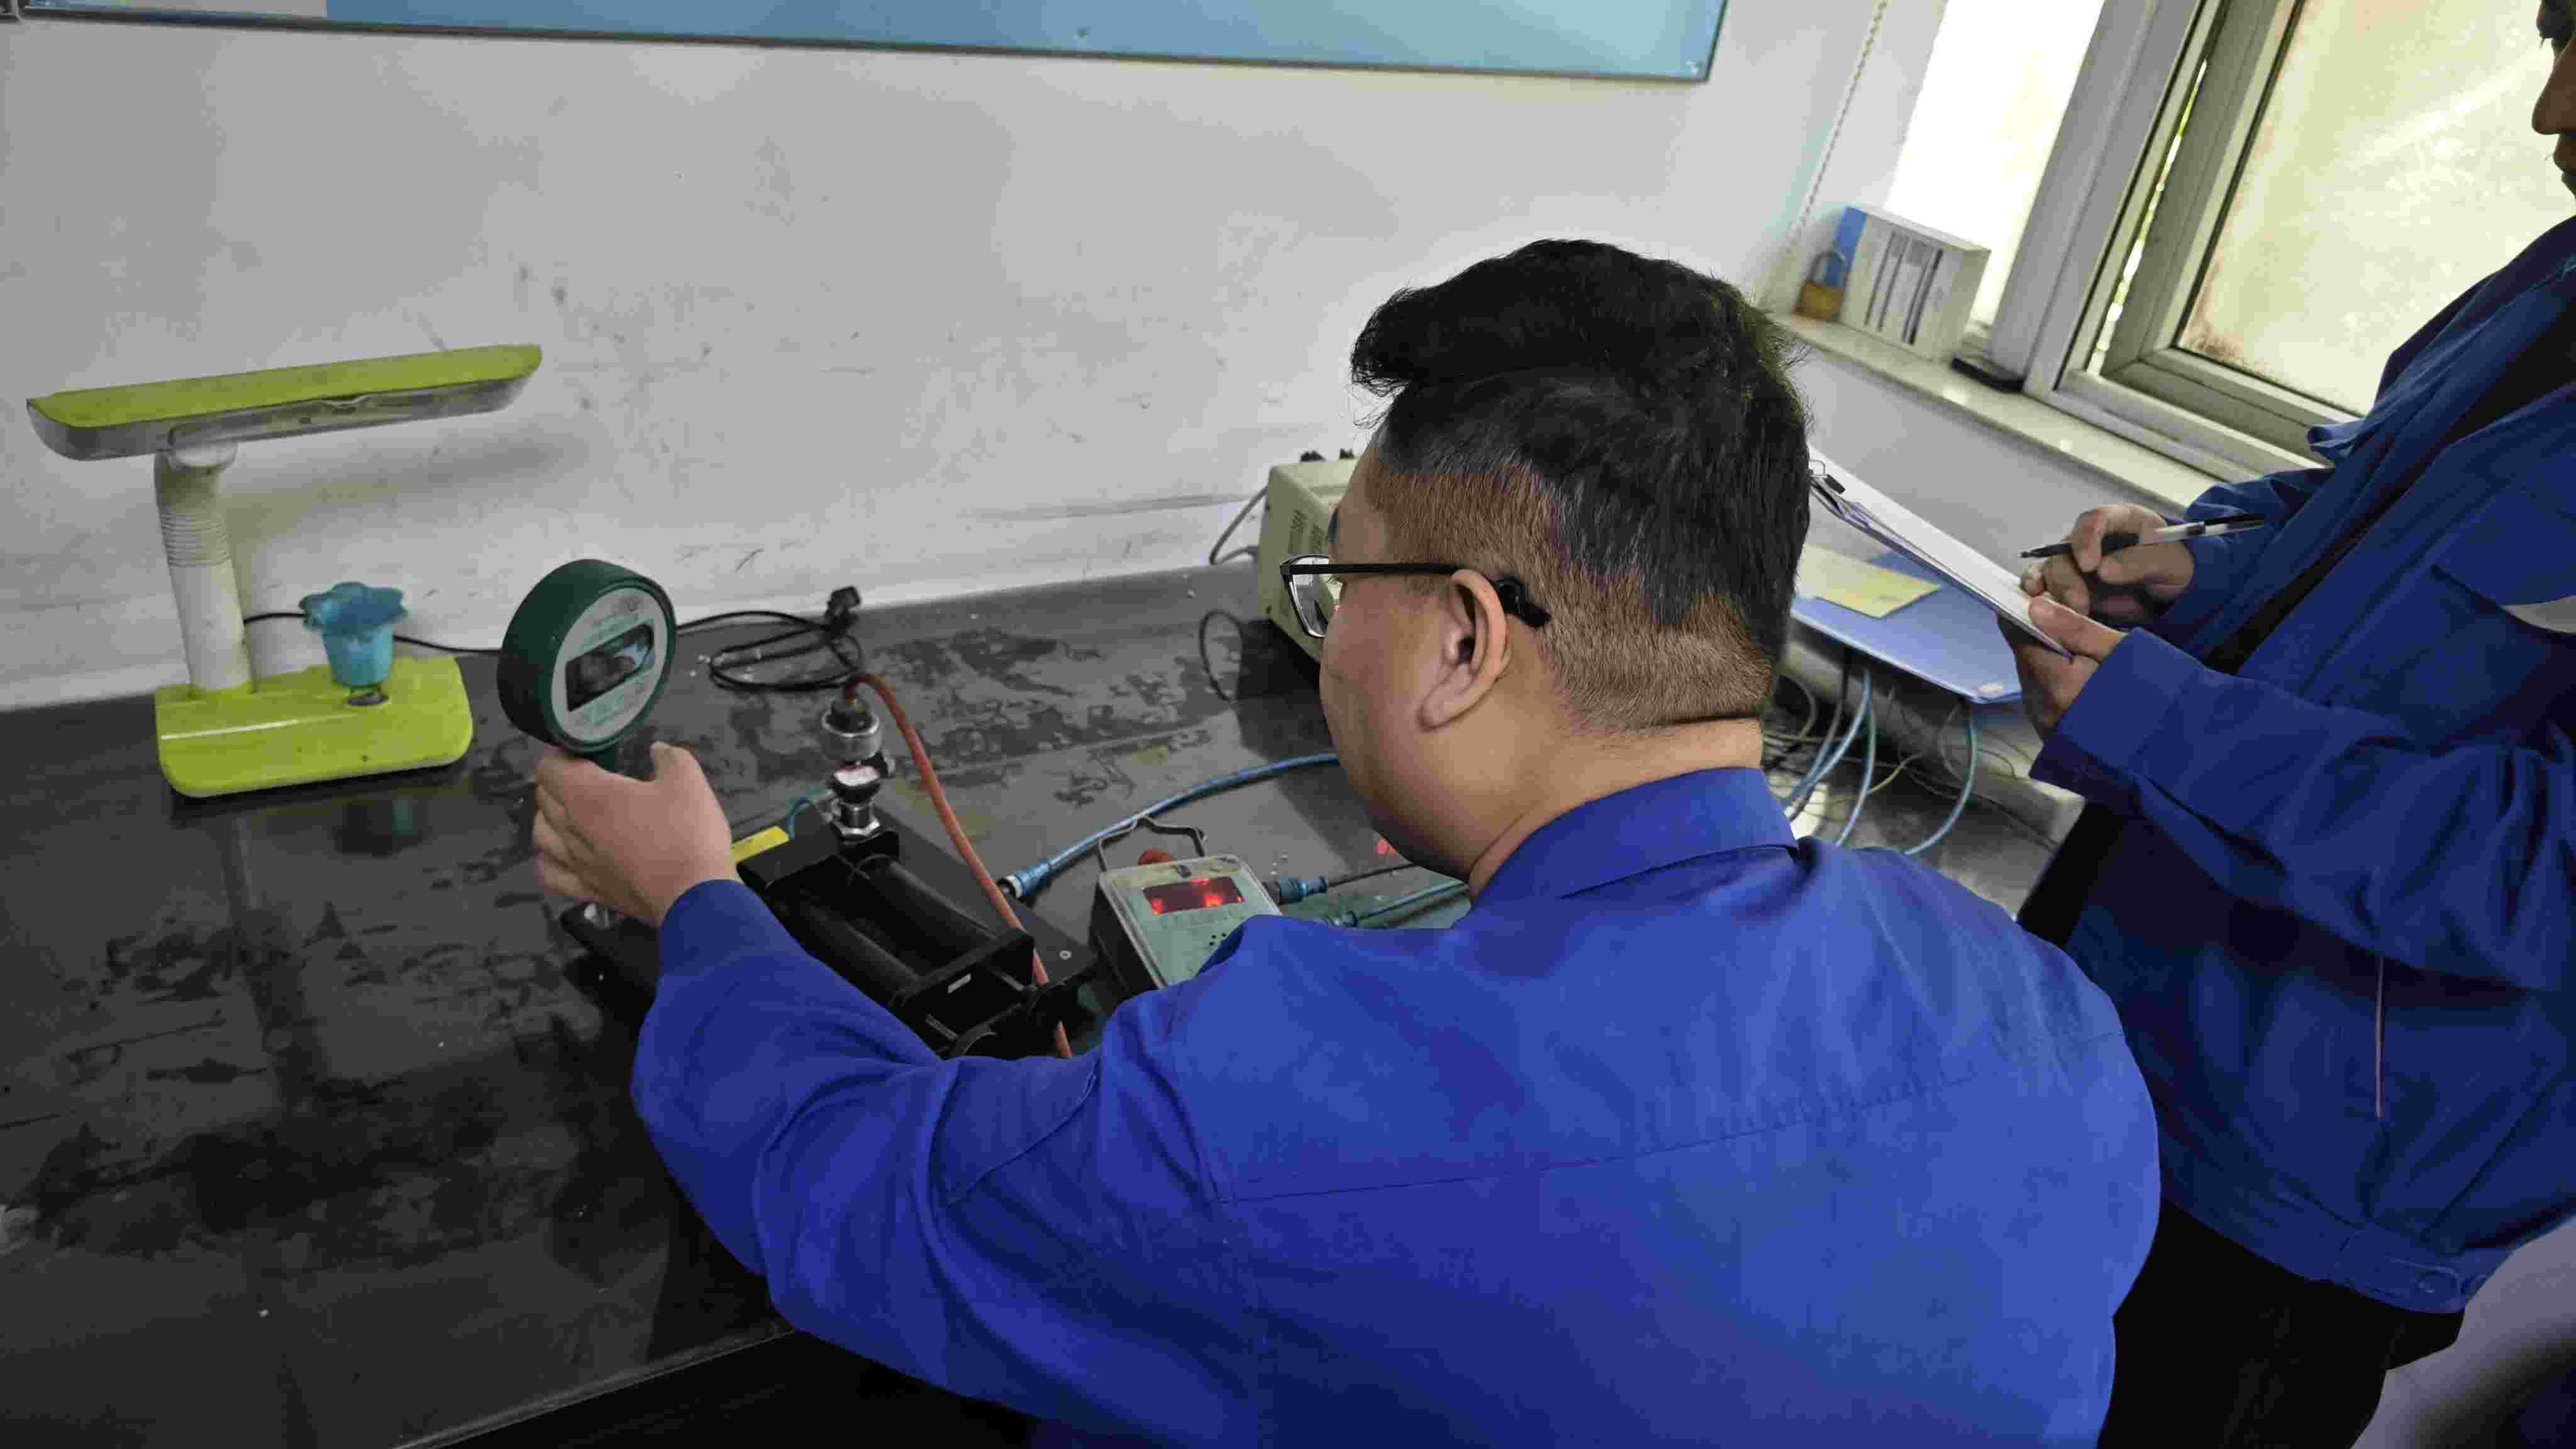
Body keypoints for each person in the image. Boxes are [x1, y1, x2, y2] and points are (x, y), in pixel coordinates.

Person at [533, 240, 2160, 1446]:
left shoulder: (1286, 1106)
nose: (1322, 639)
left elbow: (845, 1183)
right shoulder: (2047, 1025)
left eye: (1339, 585)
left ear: (1461, 640)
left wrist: (693, 896)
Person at [1997, 6, 2576, 1445]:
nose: (2547, 113)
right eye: (2558, 39)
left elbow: (2543, 873)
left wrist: (2160, 729)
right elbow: (2353, 510)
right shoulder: (2550, 282)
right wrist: (2193, 570)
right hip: (2118, 995)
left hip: (2304, 1169)